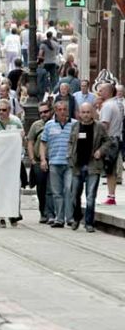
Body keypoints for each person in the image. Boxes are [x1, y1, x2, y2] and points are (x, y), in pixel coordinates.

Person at [69, 103, 109, 233]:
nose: (85, 115)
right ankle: (76, 218)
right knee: (75, 194)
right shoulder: (75, 126)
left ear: (92, 113)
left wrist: (100, 151)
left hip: (93, 165)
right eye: (83, 112)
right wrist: (69, 155)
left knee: (90, 196)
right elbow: (70, 142)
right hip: (77, 165)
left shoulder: (99, 127)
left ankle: (89, 222)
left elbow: (108, 141)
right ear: (79, 113)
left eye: (88, 112)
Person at [0, 99, 25, 227]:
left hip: (12, 161)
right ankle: (1, 214)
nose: (1, 112)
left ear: (9, 110)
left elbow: (21, 140)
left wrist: (21, 138)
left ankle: (13, 213)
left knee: (13, 187)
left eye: (4, 110)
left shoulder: (16, 122)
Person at [39, 101, 77, 228]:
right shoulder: (49, 125)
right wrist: (43, 159)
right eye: (59, 109)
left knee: (68, 189)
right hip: (54, 163)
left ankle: (70, 218)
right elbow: (43, 143)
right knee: (56, 192)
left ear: (67, 110)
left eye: (64, 109)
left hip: (69, 163)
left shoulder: (74, 124)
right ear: (55, 111)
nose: (62, 111)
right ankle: (59, 218)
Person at [97, 83, 122, 205]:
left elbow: (104, 125)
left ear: (108, 92)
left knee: (106, 168)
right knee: (110, 169)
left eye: (101, 90)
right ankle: (111, 195)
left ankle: (110, 196)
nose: (99, 92)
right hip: (116, 139)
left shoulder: (107, 106)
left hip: (109, 140)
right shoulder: (116, 103)